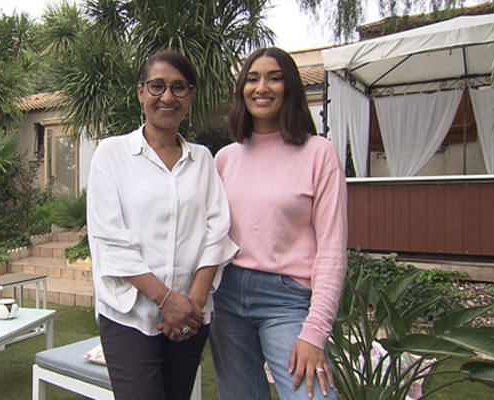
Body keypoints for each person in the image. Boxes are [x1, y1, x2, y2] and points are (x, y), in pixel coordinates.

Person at [87, 49, 238, 399]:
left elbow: (217, 229)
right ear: (140, 92)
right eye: (157, 86)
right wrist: (166, 300)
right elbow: (110, 240)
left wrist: (192, 304)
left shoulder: (203, 159)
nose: (167, 96)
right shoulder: (111, 155)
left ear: (190, 96)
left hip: (189, 315)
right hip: (130, 314)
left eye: (178, 87)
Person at [209, 47, 348, 400]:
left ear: (291, 88)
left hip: (288, 301)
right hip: (227, 296)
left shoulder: (320, 153)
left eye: (274, 77)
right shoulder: (225, 158)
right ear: (242, 89)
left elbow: (332, 248)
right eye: (252, 78)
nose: (262, 87)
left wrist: (315, 331)